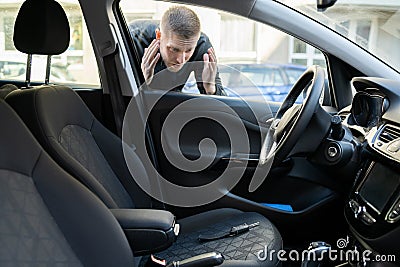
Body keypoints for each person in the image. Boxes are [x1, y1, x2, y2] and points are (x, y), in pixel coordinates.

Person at [129, 6, 226, 96]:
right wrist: (142, 81)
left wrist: (210, 88)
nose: (181, 60)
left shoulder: (201, 44)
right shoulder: (133, 40)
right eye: (174, 49)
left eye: (189, 50)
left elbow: (223, 106)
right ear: (159, 35)